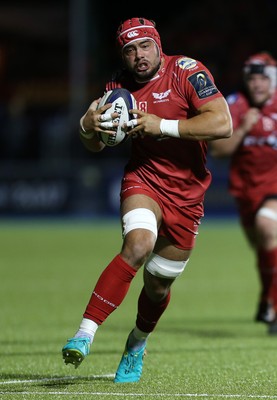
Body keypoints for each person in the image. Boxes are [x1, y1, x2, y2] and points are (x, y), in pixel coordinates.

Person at [62, 17, 232, 382]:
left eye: (144, 46)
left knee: (157, 287)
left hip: (188, 196)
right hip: (145, 180)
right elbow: (96, 143)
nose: (138, 55)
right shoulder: (116, 88)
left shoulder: (187, 72)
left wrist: (162, 125)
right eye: (129, 50)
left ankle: (137, 342)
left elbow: (222, 124)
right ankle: (84, 334)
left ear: (158, 44)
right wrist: (86, 127)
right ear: (122, 56)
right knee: (137, 245)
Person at [209, 52, 277, 334]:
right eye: (252, 78)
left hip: (274, 188)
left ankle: (273, 306)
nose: (257, 84)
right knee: (262, 247)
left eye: (263, 78)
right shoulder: (235, 106)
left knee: (267, 228)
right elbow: (218, 151)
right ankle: (266, 296)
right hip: (245, 190)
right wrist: (244, 128)